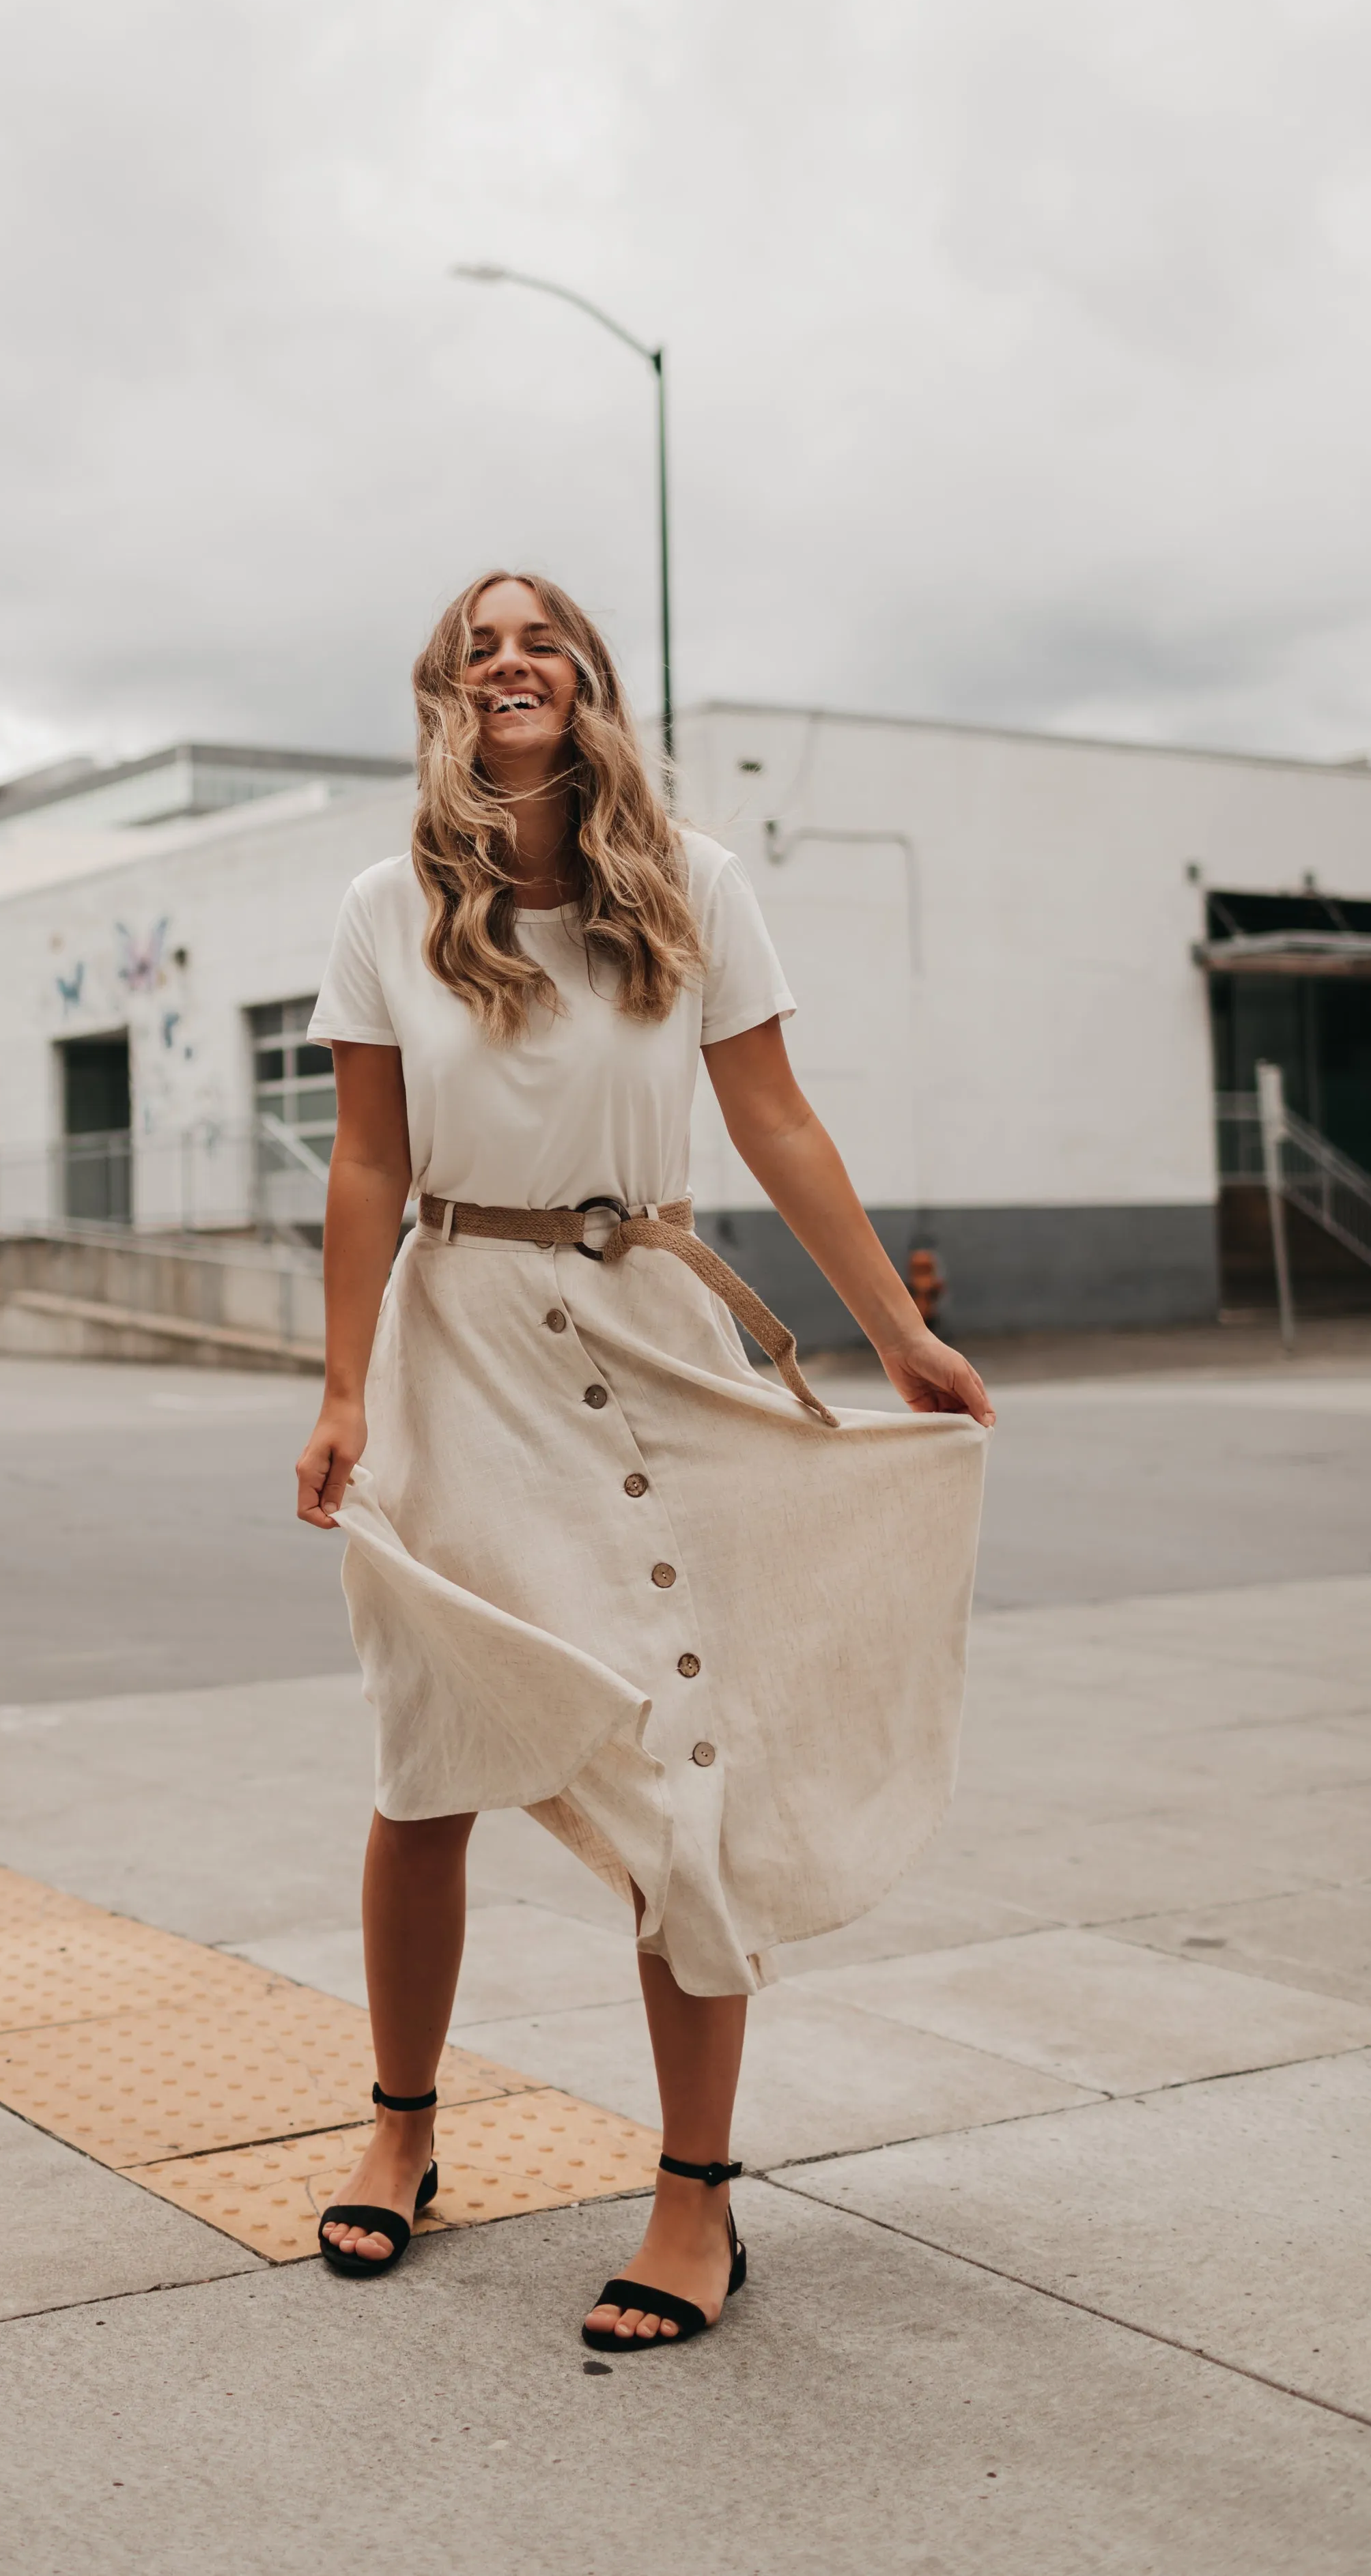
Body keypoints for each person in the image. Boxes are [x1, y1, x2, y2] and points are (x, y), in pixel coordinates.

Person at [295, 569, 993, 2351]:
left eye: (540, 637)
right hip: (454, 1346)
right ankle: (404, 2124)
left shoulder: (690, 878)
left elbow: (774, 1112)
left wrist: (895, 1334)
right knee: (426, 1755)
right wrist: (343, 1387)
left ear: (587, 681)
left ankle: (695, 2201)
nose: (509, 660)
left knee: (686, 1771)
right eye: (477, 646)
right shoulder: (390, 907)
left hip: (646, 1329)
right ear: (445, 702)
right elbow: (367, 1165)